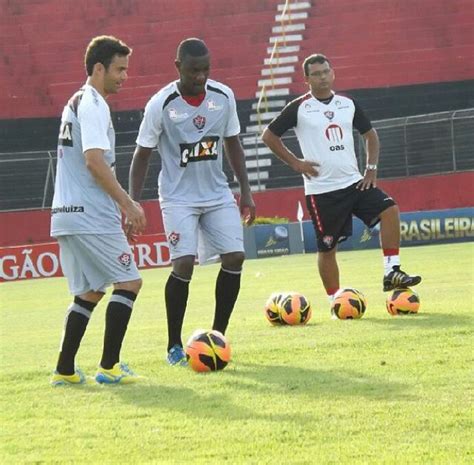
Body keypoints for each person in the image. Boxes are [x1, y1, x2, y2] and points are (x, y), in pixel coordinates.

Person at [129, 38, 256, 366]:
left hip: (216, 193)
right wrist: (132, 202)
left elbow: (233, 144)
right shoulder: (161, 103)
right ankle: (173, 344)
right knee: (183, 264)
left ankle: (217, 337)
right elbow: (141, 155)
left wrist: (246, 190)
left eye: (205, 69)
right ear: (177, 67)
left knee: (236, 256)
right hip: (177, 198)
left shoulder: (223, 96)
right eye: (193, 70)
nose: (200, 76)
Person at [262, 53, 421, 310]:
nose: (322, 77)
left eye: (326, 71)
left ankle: (392, 271)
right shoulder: (299, 107)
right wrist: (296, 163)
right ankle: (335, 301)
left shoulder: (348, 104)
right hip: (322, 191)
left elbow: (370, 135)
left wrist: (370, 170)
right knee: (328, 248)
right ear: (306, 79)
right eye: (316, 74)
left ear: (332, 73)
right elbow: (268, 136)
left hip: (354, 183)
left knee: (390, 209)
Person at [50, 36, 147, 385]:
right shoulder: (93, 103)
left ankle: (64, 370)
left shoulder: (74, 102)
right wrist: (128, 203)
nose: (124, 76)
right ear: (99, 68)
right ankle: (109, 367)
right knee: (129, 282)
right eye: (119, 69)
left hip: (66, 212)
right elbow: (94, 161)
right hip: (90, 213)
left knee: (90, 291)